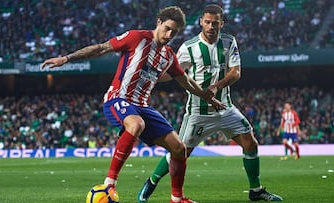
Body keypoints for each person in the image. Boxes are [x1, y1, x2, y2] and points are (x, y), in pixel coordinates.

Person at [41, 6, 225, 203]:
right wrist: (66, 58)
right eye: (167, 28)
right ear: (159, 22)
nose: (169, 35)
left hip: (142, 106)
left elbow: (186, 82)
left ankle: (177, 199)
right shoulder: (137, 38)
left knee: (180, 149)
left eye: (175, 32)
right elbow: (102, 48)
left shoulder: (169, 56)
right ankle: (110, 183)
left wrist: (209, 98)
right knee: (136, 124)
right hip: (117, 98)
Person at [138, 4, 283, 202]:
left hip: (226, 108)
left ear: (222, 23)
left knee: (250, 143)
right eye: (207, 22)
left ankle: (255, 190)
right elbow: (170, 73)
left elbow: (236, 72)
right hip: (199, 112)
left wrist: (216, 86)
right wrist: (149, 75)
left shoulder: (229, 42)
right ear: (201, 22)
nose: (211, 26)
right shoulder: (189, 47)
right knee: (179, 153)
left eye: (215, 23)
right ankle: (152, 181)